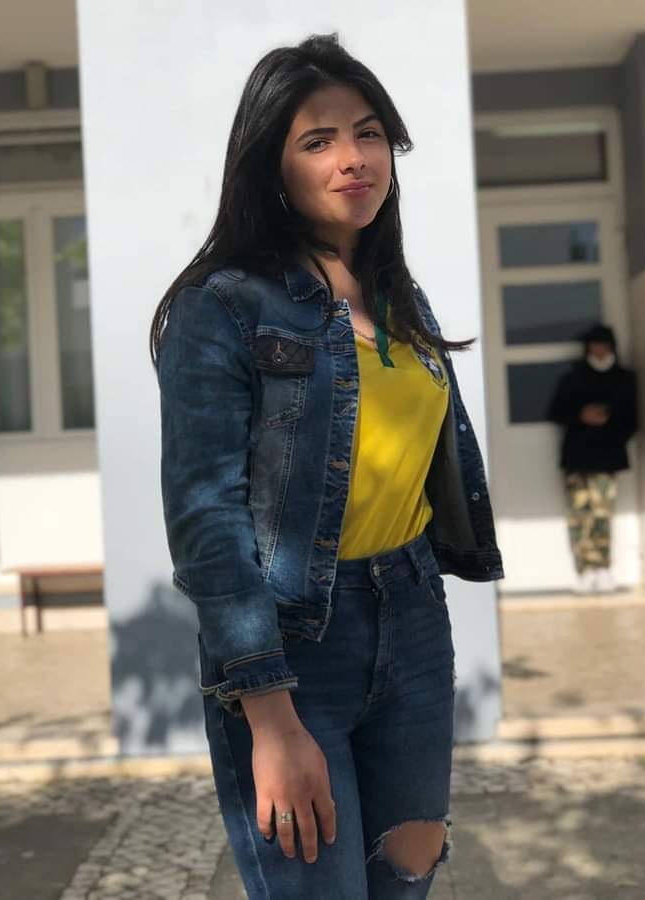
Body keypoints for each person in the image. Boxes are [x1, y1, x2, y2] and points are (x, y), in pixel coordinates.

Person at [152, 34, 503, 899]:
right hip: (293, 645)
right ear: (271, 165)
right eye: (319, 140)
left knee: (407, 879)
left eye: (369, 133)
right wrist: (270, 716)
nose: (354, 158)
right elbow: (206, 519)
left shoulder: (400, 298)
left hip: (413, 618)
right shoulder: (222, 305)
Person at [547, 324, 638, 595]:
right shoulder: (573, 378)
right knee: (579, 514)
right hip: (577, 456)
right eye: (594, 345)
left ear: (611, 347)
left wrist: (608, 423)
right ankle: (585, 569)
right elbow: (555, 412)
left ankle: (602, 567)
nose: (598, 351)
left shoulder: (623, 379)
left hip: (607, 456)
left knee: (602, 513)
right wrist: (581, 416)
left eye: (603, 345)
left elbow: (632, 419)